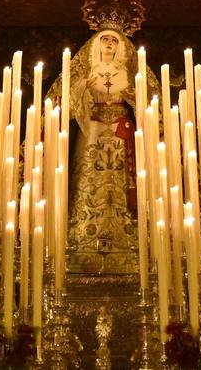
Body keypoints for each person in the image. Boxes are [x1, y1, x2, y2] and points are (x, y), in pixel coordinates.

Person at [50, 26, 158, 274]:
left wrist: (133, 93)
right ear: (97, 45)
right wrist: (82, 87)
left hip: (120, 131)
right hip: (93, 132)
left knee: (122, 181)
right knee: (88, 180)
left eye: (113, 41)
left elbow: (149, 103)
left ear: (119, 47)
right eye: (105, 40)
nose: (109, 44)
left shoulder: (128, 73)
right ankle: (82, 243)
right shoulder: (88, 72)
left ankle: (127, 240)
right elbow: (66, 105)